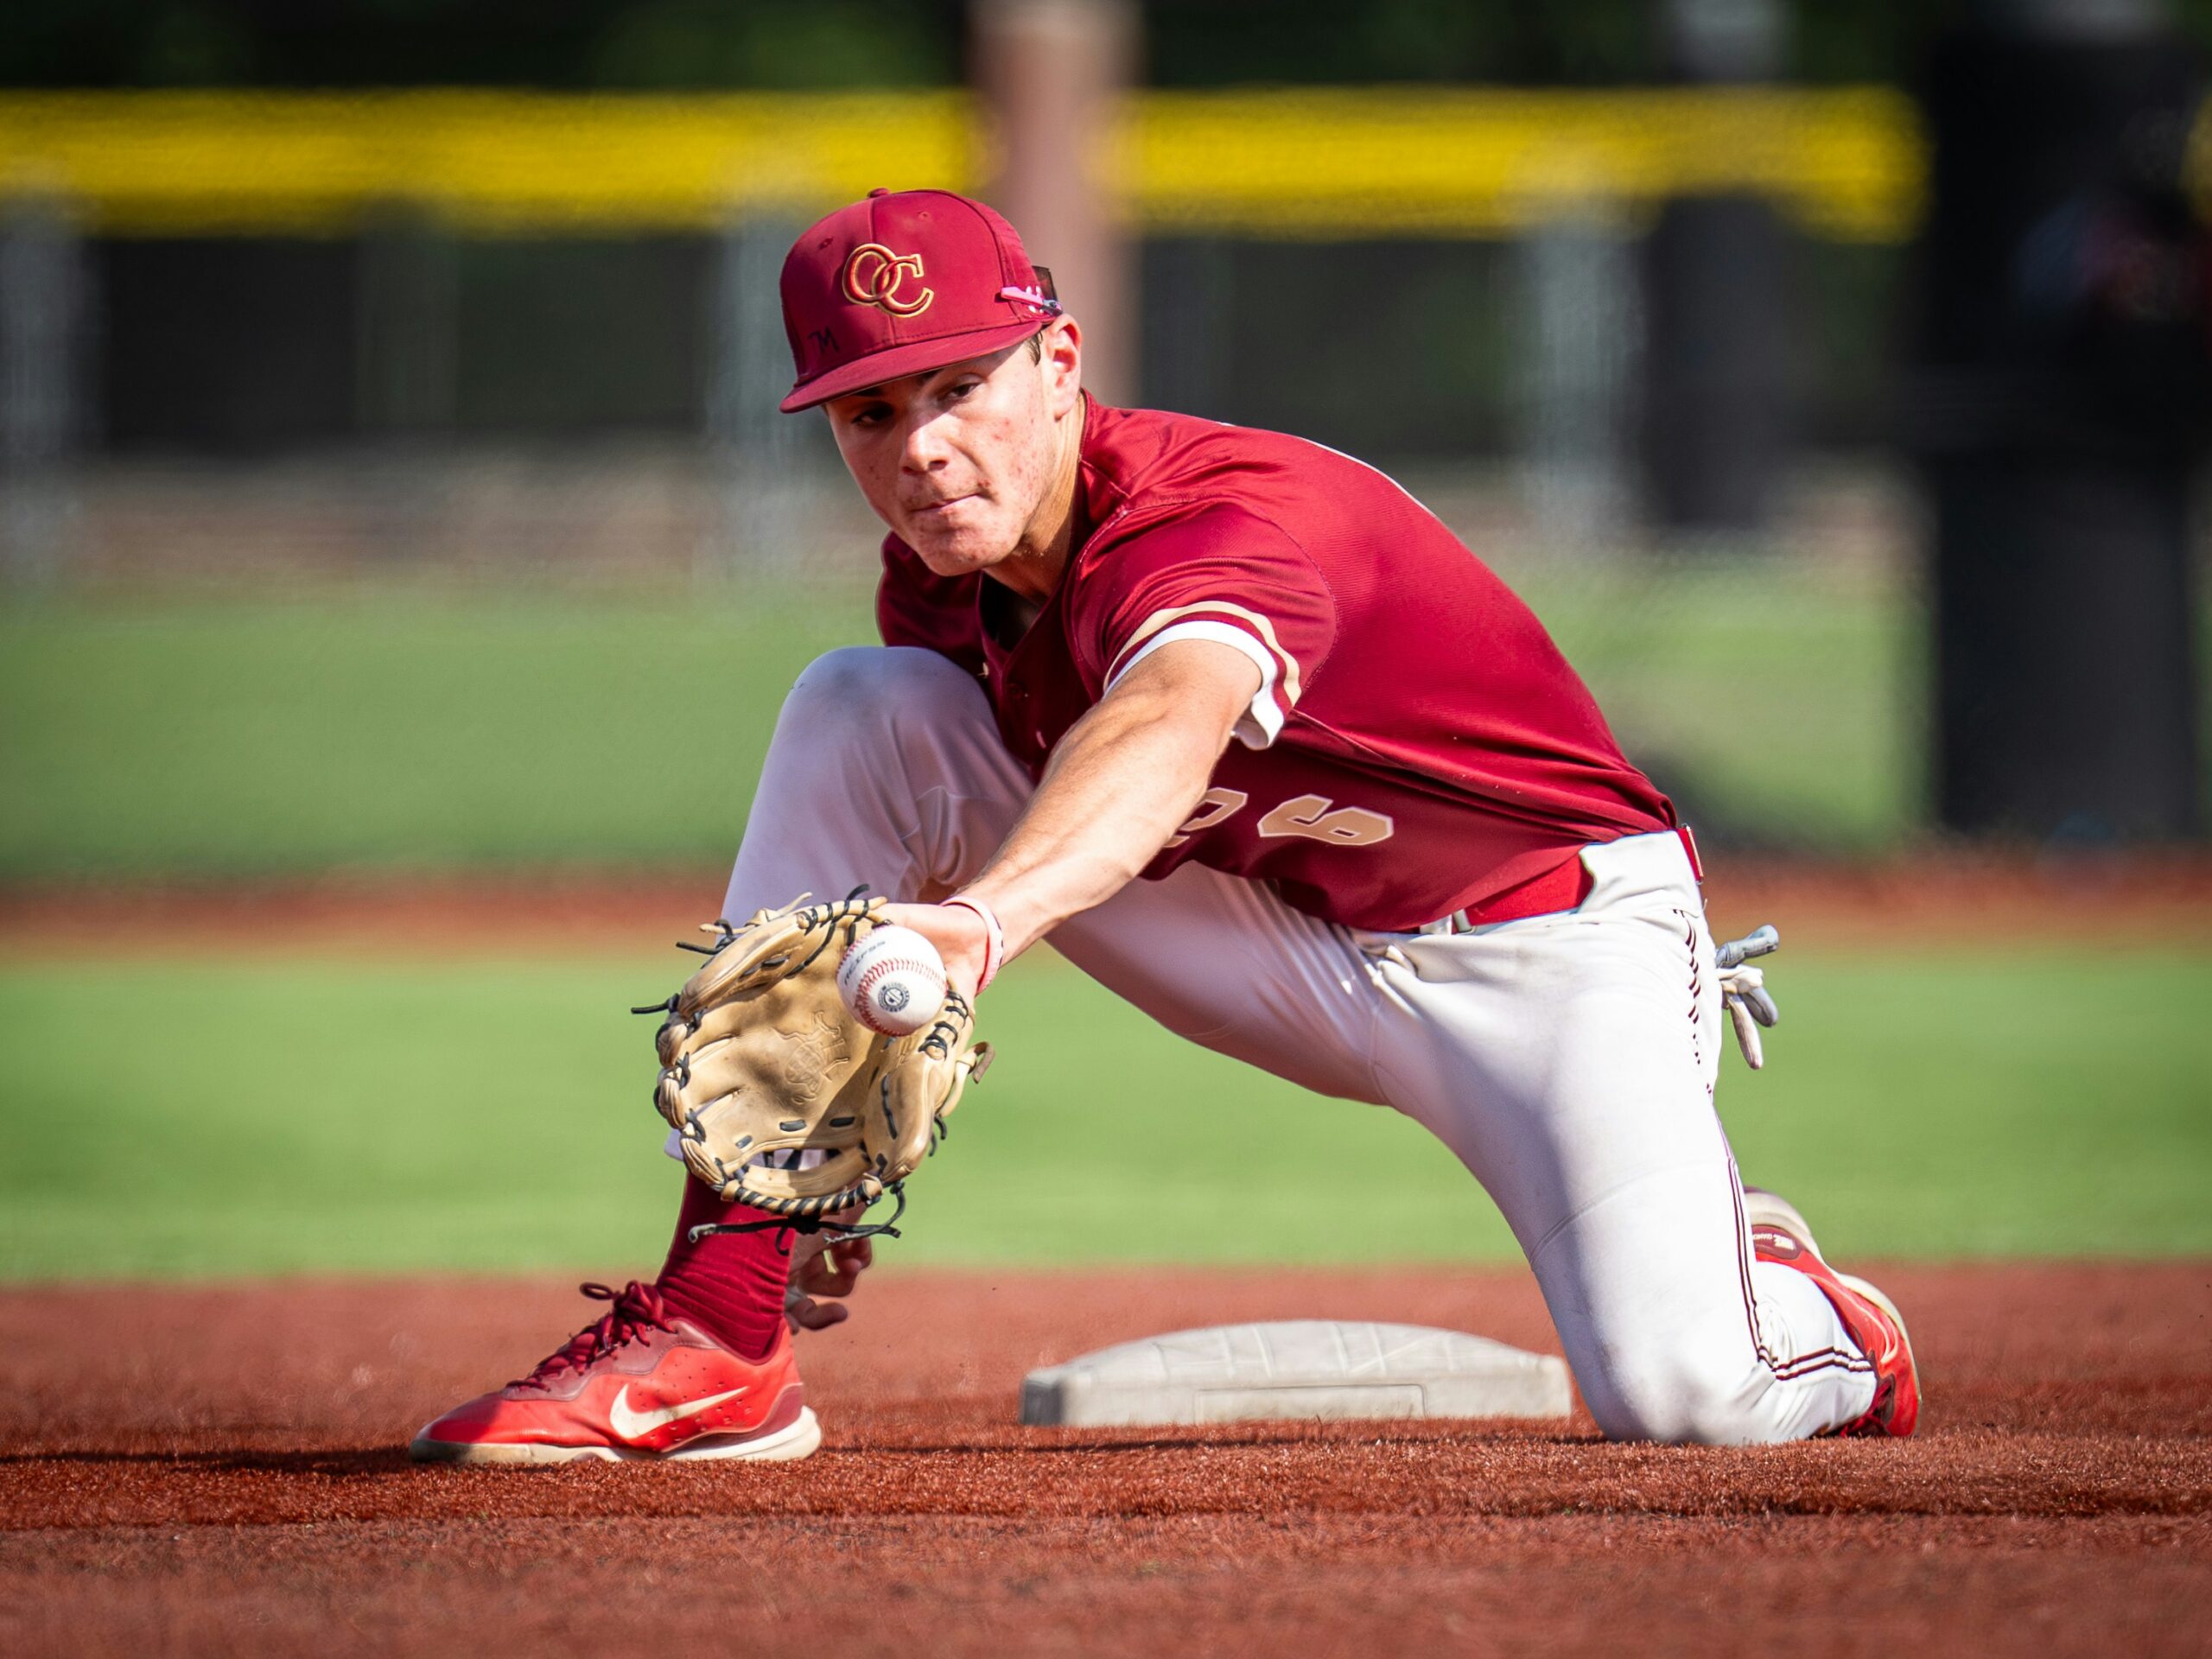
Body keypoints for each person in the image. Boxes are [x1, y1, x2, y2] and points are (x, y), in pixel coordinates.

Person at [410, 188, 1916, 1465]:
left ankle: (1803, 1304)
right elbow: (910, 813)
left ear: (1060, 364)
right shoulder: (941, 583)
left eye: (960, 387)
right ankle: (721, 1325)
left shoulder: (1223, 519)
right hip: (1278, 934)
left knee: (1687, 1397)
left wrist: (982, 926)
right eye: (871, 412)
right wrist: (815, 1150)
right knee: (861, 709)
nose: (922, 447)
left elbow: (1165, 718)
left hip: (1553, 948)